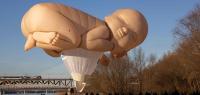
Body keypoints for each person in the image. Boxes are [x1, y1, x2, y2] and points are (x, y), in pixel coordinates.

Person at [21, 3, 148, 61]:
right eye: (121, 20)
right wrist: (111, 46)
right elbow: (88, 42)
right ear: (109, 17)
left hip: (31, 20)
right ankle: (36, 38)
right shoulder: (104, 30)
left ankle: (37, 38)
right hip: (43, 16)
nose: (124, 30)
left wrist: (102, 56)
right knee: (75, 40)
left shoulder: (98, 30)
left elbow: (91, 49)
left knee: (57, 52)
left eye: (132, 36)